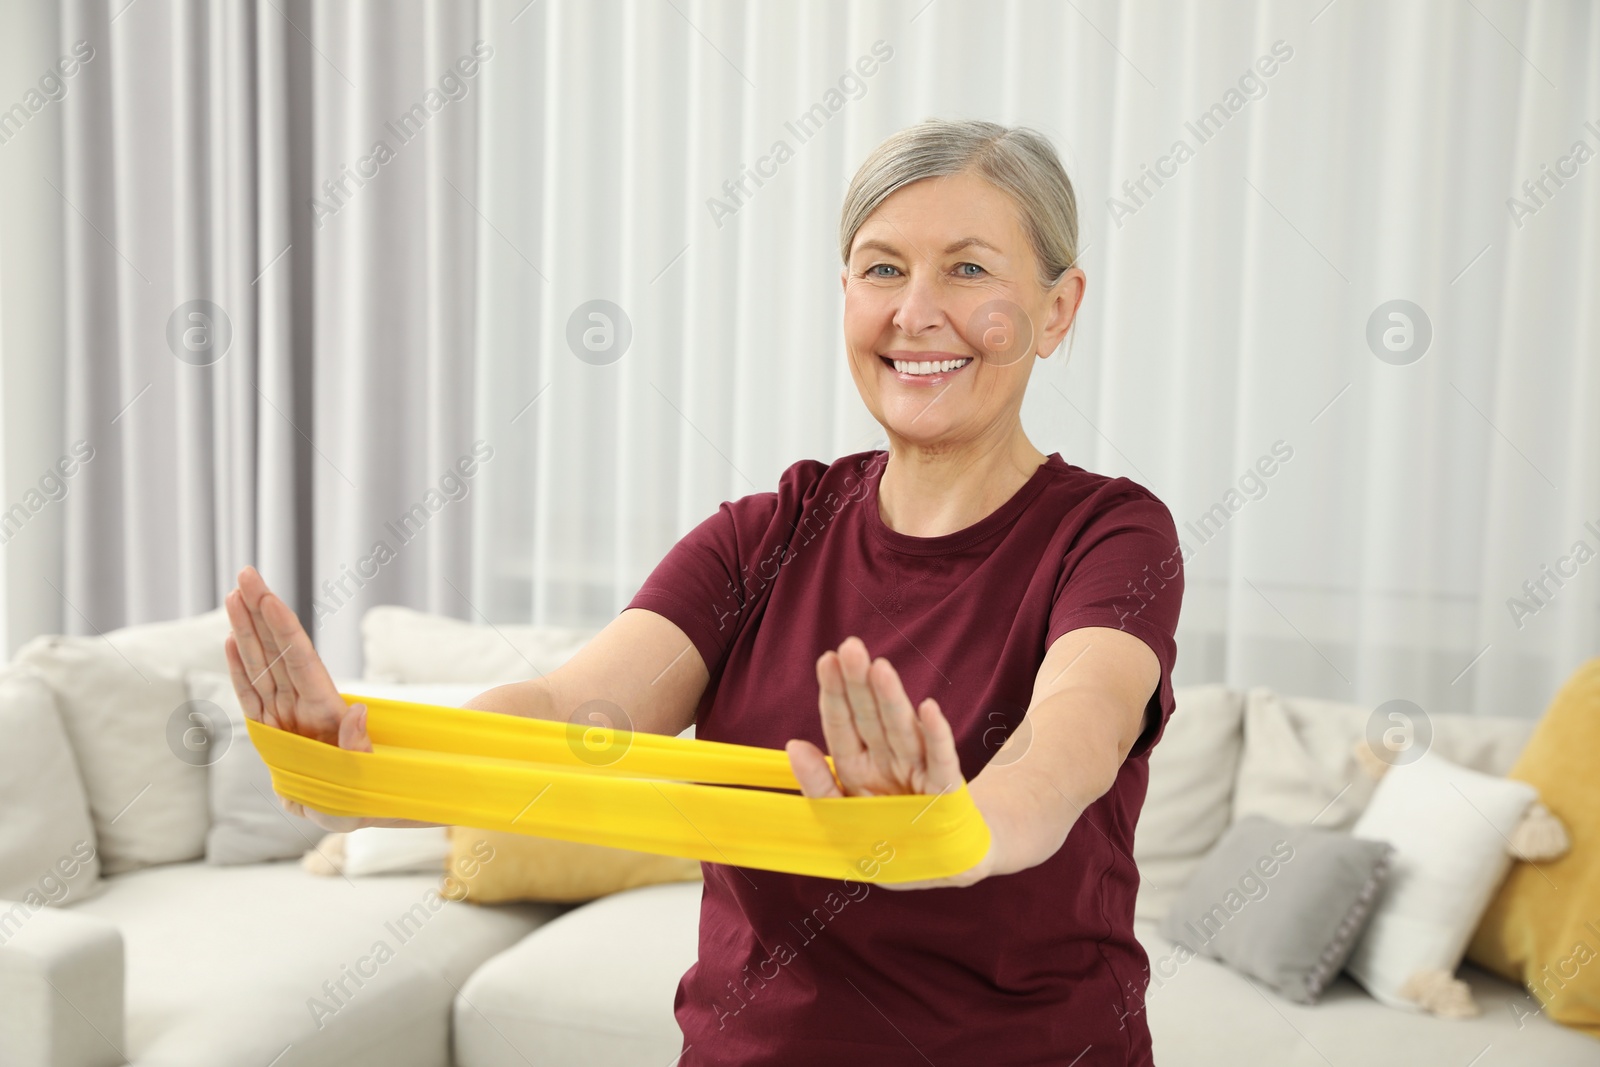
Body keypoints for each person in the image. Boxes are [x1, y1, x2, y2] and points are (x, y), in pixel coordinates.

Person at [226, 118, 1185, 1066]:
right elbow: (570, 714)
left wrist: (948, 828)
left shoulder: (1111, 536)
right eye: (882, 268)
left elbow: (1066, 749)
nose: (914, 311)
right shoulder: (765, 534)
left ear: (1058, 309)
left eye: (969, 269)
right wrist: (363, 766)